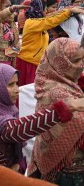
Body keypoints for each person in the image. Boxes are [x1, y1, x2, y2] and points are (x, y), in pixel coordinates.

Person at [0, 63, 84, 175]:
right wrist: (66, 108)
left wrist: (18, 166)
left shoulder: (7, 108)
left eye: (17, 83)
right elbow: (14, 130)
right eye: (10, 85)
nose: (17, 90)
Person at [28, 38, 84, 184]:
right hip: (66, 171)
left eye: (83, 59)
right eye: (77, 61)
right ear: (61, 62)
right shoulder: (55, 92)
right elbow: (79, 123)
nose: (81, 65)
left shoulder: (66, 80)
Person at [16, 0, 84, 86]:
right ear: (38, 10)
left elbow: (51, 16)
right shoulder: (31, 23)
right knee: (28, 91)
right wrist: (68, 12)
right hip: (28, 63)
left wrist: (69, 9)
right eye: (44, 10)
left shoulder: (39, 21)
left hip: (36, 62)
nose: (46, 12)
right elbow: (50, 21)